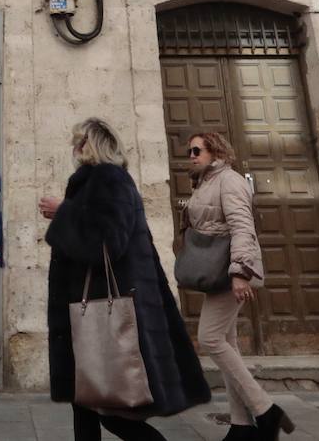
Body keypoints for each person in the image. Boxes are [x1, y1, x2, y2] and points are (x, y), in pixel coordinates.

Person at [40, 118, 211, 441]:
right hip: (85, 309)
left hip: (102, 309)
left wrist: (65, 211)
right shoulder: (95, 180)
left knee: (113, 413)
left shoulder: (109, 179)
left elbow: (109, 240)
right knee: (86, 405)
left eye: (79, 142)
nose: (73, 149)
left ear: (91, 145)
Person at [183, 131, 295, 441]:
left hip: (230, 272)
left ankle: (266, 409)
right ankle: (241, 426)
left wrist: (241, 273)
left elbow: (242, 226)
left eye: (196, 150)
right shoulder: (206, 182)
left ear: (214, 151)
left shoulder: (229, 180)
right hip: (218, 272)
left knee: (209, 337)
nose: (191, 156)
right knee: (227, 343)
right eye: (189, 151)